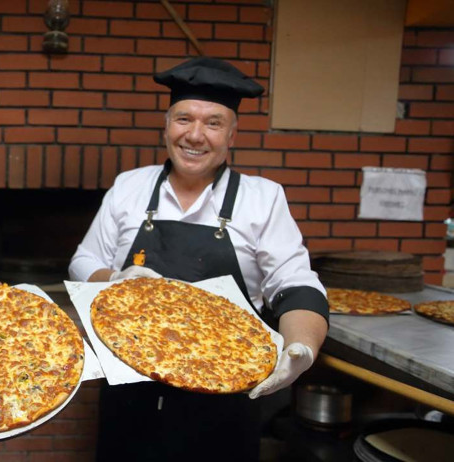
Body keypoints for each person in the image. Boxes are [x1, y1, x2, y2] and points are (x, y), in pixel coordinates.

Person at [69, 57, 329, 461]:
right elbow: (84, 259)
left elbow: (296, 284)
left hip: (225, 398)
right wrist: (115, 278)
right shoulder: (129, 186)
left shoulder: (263, 198)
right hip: (129, 394)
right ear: (166, 126)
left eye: (213, 123)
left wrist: (302, 348)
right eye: (184, 119)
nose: (195, 134)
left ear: (232, 135)